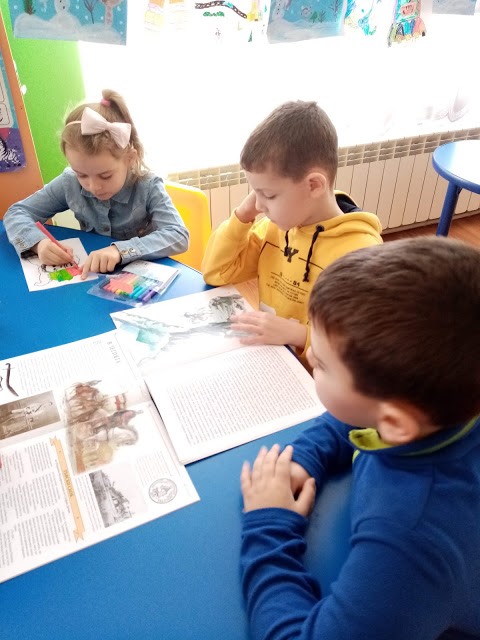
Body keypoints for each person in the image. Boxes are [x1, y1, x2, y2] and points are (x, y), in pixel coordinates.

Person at [240, 236, 480, 640]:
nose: (309, 356)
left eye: (322, 364)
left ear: (396, 424)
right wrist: (308, 455)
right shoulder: (446, 403)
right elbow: (356, 417)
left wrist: (268, 523)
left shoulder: (409, 541)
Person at [201, 100, 382, 362]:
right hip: (273, 359)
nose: (258, 205)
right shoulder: (273, 227)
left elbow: (362, 345)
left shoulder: (360, 255)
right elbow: (217, 272)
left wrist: (299, 335)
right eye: (254, 193)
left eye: (269, 195)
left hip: (318, 376)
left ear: (314, 185)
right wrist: (241, 217)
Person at [4, 89, 189, 279]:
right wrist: (39, 243)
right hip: (92, 277)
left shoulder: (148, 186)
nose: (93, 186)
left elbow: (178, 234)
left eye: (105, 176)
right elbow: (17, 212)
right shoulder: (69, 182)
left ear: (130, 159)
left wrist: (119, 251)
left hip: (142, 280)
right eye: (82, 174)